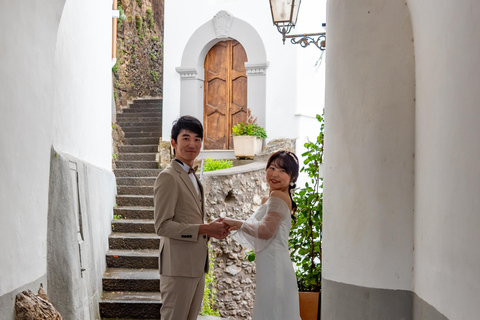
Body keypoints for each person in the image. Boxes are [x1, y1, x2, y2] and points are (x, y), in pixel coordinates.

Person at [153, 115, 229, 320]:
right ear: (174, 143)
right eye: (186, 138)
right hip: (177, 267)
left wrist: (212, 231)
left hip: (196, 265)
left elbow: (190, 217)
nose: (192, 144)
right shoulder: (168, 177)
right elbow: (162, 226)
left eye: (197, 139)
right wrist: (204, 229)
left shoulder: (192, 175)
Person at [223, 150, 302, 320]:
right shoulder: (277, 197)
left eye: (283, 171)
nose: (275, 174)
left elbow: (266, 231)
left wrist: (236, 223)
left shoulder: (277, 196)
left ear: (293, 178)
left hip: (274, 265)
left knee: (272, 312)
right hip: (273, 263)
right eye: (272, 168)